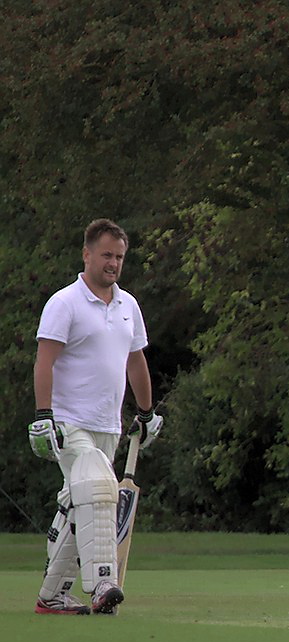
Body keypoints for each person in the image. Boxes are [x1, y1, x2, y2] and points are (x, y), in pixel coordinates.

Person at [29, 218, 163, 615]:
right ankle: (104, 582)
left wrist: (146, 412)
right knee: (100, 490)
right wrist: (43, 415)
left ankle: (52, 596)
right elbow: (45, 361)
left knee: (83, 503)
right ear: (86, 254)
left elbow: (135, 361)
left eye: (119, 257)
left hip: (108, 425)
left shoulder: (128, 305)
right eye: (106, 255)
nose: (113, 263)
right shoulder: (64, 302)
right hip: (69, 422)